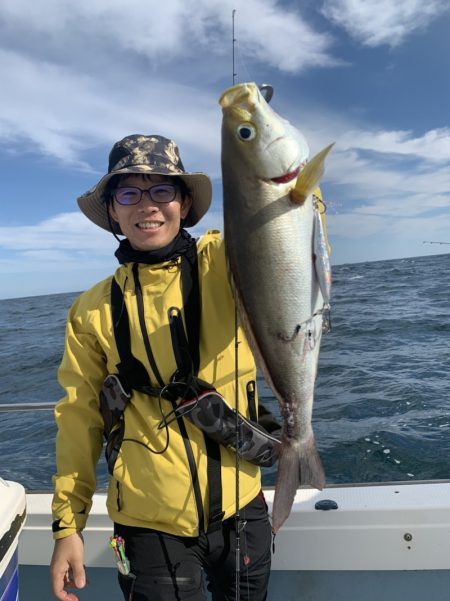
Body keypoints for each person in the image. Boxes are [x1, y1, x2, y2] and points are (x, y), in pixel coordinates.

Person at [49, 134, 275, 601]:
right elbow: (77, 420)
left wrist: (267, 152)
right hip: (147, 528)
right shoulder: (90, 310)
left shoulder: (230, 263)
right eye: (128, 192)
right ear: (112, 210)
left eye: (161, 190)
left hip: (243, 510)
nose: (146, 206)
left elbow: (288, 226)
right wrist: (66, 527)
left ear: (185, 201)